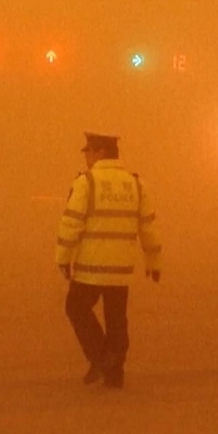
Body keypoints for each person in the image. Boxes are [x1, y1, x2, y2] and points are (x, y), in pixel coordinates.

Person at [55, 131, 162, 389]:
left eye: (89, 151)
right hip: (121, 267)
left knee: (76, 308)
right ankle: (115, 374)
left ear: (101, 152)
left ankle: (102, 357)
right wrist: (153, 260)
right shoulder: (136, 184)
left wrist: (63, 257)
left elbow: (71, 223)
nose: (86, 157)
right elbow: (148, 226)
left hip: (90, 267)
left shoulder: (87, 183)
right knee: (116, 318)